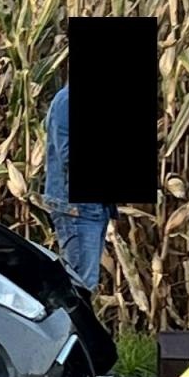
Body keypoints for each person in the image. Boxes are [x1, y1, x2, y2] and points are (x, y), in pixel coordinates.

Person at [42, 82, 114, 292]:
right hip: (76, 208)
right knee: (80, 285)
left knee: (85, 282)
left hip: (94, 209)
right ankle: (70, 326)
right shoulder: (66, 101)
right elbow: (68, 154)